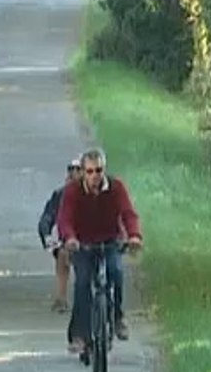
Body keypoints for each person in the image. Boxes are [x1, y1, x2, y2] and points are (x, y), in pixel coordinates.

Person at [57, 147, 142, 355]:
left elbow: (128, 214)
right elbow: (64, 219)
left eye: (99, 170)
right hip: (82, 243)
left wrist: (134, 236)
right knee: (83, 282)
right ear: (83, 172)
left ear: (104, 170)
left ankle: (118, 317)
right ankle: (79, 335)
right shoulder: (73, 191)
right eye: (90, 171)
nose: (95, 176)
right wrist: (70, 238)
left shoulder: (116, 187)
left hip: (110, 240)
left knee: (116, 271)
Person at [37, 157, 83, 313]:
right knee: (63, 254)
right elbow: (47, 218)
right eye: (71, 170)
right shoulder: (60, 195)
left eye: (78, 170)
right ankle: (61, 298)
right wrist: (47, 237)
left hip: (92, 239)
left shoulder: (96, 193)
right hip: (69, 241)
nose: (74, 174)